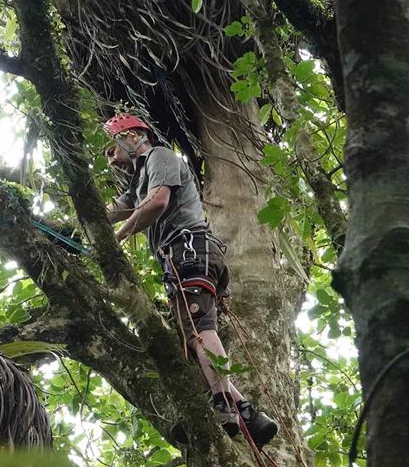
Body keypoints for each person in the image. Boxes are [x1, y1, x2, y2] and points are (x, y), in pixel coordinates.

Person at [103, 113, 278, 448]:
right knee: (190, 337)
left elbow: (158, 203)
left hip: (189, 249)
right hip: (183, 256)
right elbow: (111, 210)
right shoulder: (138, 182)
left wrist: (118, 237)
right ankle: (249, 415)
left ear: (134, 136)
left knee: (199, 331)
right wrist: (70, 228)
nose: (111, 157)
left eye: (113, 147)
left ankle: (223, 407)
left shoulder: (160, 156)